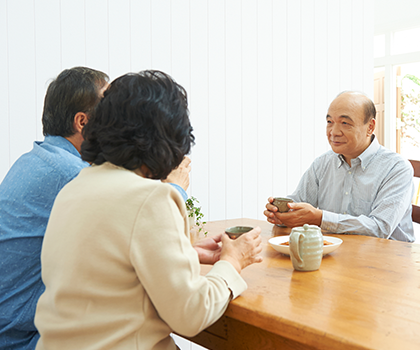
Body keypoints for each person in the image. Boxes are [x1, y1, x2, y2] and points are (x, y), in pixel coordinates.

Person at [34, 70, 263, 349]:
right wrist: (233, 262)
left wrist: (185, 253)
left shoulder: (73, 190)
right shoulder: (150, 198)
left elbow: (108, 272)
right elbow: (191, 314)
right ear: (170, 136)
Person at [0, 67, 109, 349]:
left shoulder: (32, 159)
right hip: (21, 339)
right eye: (108, 109)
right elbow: (138, 222)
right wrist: (176, 184)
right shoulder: (70, 174)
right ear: (82, 122)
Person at [264, 91, 414, 241]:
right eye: (330, 122)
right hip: (335, 253)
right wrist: (280, 214)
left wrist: (320, 219)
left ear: (370, 127)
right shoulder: (322, 163)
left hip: (388, 258)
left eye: (345, 123)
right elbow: (298, 201)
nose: (333, 132)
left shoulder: (397, 169)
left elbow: (380, 229)